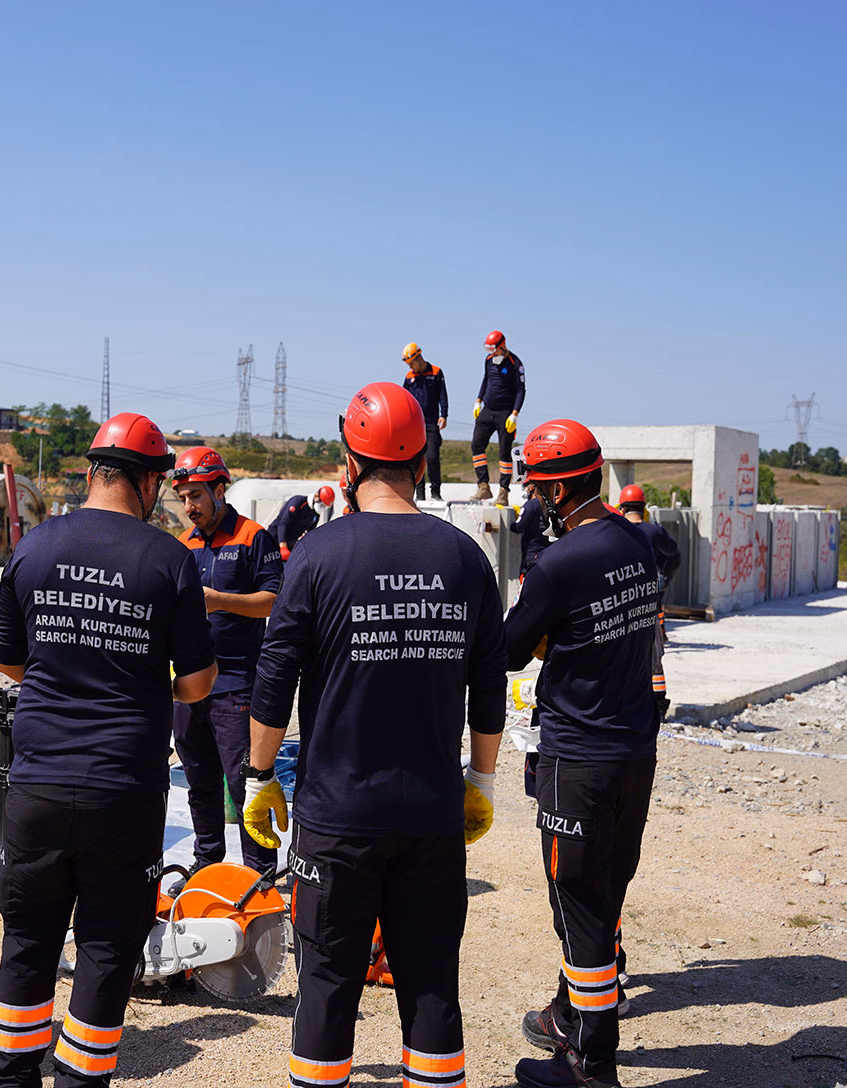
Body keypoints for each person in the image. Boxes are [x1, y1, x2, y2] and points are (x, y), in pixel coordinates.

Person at [244, 381, 508, 1088]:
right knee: (430, 988)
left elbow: (274, 678)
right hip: (430, 816)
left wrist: (258, 776)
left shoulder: (319, 556)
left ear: (349, 465)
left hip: (338, 819)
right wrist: (480, 782)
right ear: (420, 463)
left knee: (328, 986)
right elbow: (489, 685)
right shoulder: (465, 559)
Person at [0, 412, 217, 1088]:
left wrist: (69, 670)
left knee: (26, 941)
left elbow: (11, 663)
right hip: (123, 790)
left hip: (35, 786)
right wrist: (140, 679)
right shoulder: (170, 559)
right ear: (149, 484)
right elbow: (197, 684)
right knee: (107, 949)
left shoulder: (33, 548)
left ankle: (10, 1078)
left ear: (92, 472)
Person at [502, 420, 660, 1088]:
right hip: (634, 750)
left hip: (579, 758)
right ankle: (570, 1016)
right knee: (606, 889)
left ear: (563, 487)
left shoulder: (559, 563)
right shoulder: (641, 540)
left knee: (580, 908)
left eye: (540, 489)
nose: (535, 502)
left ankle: (592, 1067)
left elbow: (509, 651)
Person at [170, 446, 284, 879]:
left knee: (244, 782)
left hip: (237, 684)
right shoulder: (184, 545)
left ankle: (261, 870)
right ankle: (206, 860)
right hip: (191, 685)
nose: (188, 507)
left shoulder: (254, 537)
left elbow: (274, 600)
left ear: (220, 490)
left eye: (196, 496)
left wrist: (219, 601)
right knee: (198, 781)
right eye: (182, 498)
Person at [617, 484, 680, 719]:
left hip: (622, 604)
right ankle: (658, 703)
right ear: (643, 508)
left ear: (622, 507)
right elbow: (672, 551)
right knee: (654, 657)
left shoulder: (616, 530)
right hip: (648, 602)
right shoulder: (653, 532)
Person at [471, 330, 526, 504]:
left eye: (493, 349)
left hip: (506, 414)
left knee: (504, 452)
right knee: (476, 445)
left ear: (502, 346)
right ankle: (483, 486)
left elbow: (521, 390)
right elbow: (485, 380)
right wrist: (478, 401)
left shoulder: (515, 363)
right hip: (488, 410)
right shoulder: (488, 361)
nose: (491, 353)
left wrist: (515, 414)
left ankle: (503, 492)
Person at [401, 342, 448, 501]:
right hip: (414, 426)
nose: (410, 368)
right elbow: (403, 399)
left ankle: (436, 493)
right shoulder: (409, 377)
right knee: (416, 461)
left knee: (432, 458)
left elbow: (442, 396)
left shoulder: (436, 372)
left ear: (419, 358)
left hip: (431, 424)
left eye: (411, 364)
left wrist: (444, 415)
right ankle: (419, 495)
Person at [511, 479, 551, 579]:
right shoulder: (549, 505)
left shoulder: (530, 505)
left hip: (531, 554)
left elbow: (518, 527)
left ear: (531, 487)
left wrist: (510, 523)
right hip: (547, 552)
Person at [268, 489, 326, 554]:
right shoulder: (298, 502)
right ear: (316, 496)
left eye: (324, 506)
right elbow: (283, 523)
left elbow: (310, 533)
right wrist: (283, 546)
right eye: (322, 505)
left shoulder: (316, 514)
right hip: (276, 537)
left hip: (291, 542)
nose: (322, 507)